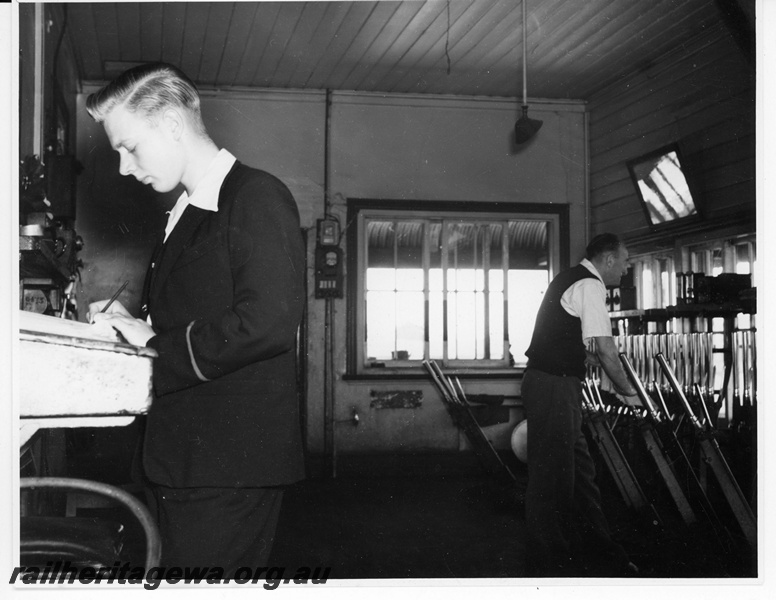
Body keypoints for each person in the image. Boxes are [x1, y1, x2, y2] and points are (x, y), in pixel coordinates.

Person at [85, 63, 306, 575]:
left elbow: (269, 320)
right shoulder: (187, 209)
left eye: (129, 147)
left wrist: (157, 347)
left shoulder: (254, 196)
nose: (122, 167)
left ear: (171, 125)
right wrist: (135, 322)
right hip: (185, 458)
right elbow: (195, 313)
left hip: (227, 465)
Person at [522, 233, 640, 577]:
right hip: (553, 388)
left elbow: (562, 334)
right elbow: (607, 348)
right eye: (625, 260)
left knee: (580, 476)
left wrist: (581, 355)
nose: (627, 267)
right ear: (607, 260)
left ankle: (601, 553)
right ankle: (550, 567)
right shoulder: (590, 285)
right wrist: (628, 392)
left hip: (558, 386)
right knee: (552, 480)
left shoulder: (570, 277)